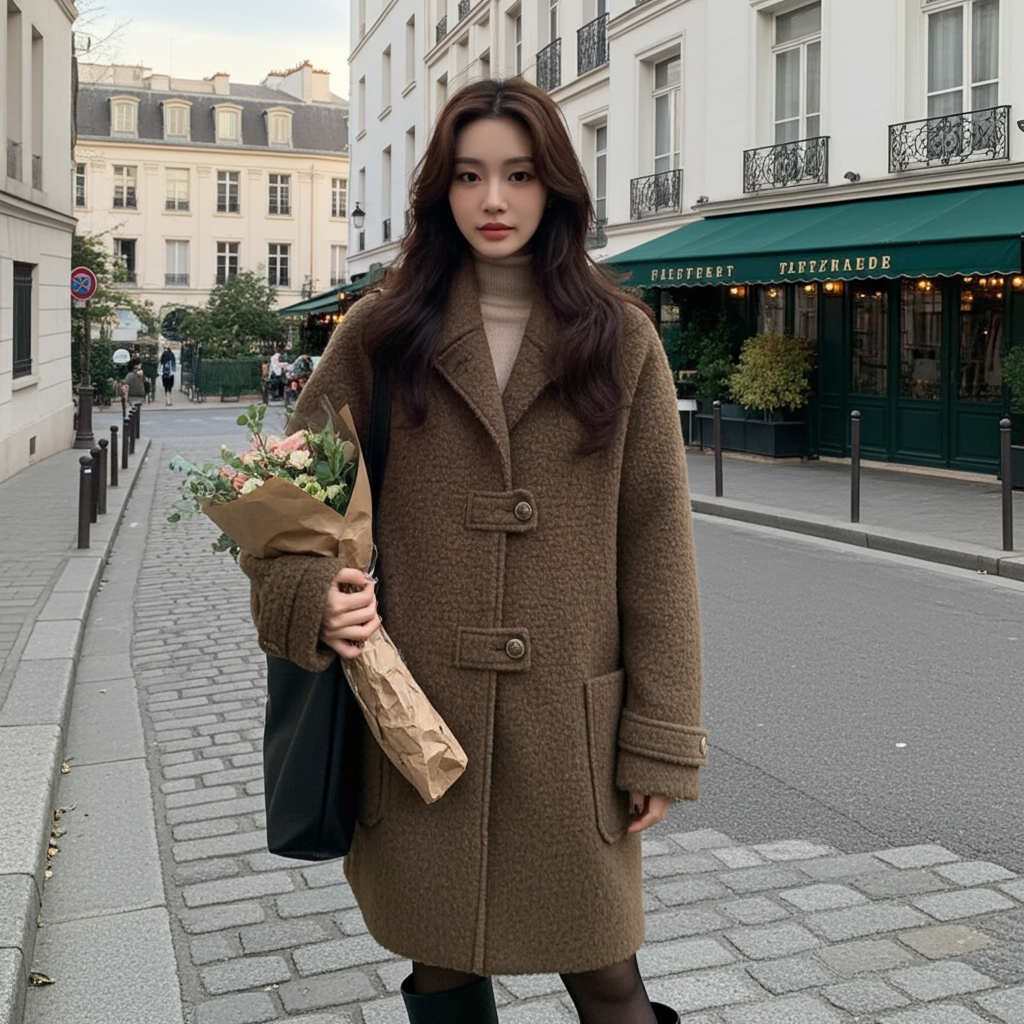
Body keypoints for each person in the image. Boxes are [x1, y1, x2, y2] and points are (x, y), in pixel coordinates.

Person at [240, 78, 706, 1024]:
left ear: (557, 188)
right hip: (416, 724)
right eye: (469, 175)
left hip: (568, 735)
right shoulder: (381, 333)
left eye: (520, 174)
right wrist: (309, 598)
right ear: (440, 192)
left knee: (606, 971)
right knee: (440, 965)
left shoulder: (622, 341)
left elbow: (657, 546)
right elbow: (281, 503)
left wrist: (658, 740)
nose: (494, 201)